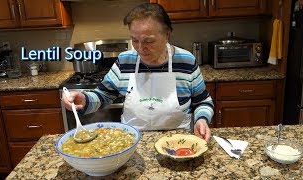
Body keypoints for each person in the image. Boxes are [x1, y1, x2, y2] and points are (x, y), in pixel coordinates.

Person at [62, 3, 214, 142]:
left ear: (167, 35)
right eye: (135, 40)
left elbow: (203, 101)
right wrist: (84, 99)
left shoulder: (186, 61)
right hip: (132, 141)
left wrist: (202, 119)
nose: (140, 48)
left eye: (149, 41)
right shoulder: (125, 61)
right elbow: (103, 96)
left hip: (179, 141)